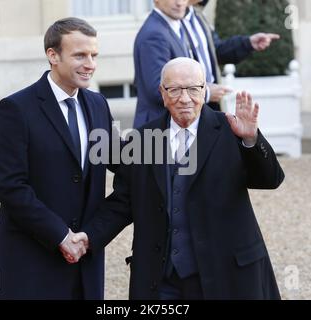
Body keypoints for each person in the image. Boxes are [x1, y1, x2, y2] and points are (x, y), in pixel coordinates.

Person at [73, 58, 285, 299]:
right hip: (161, 279)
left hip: (225, 273)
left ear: (204, 90)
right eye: (174, 90)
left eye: (193, 89)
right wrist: (88, 237)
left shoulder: (229, 129)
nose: (185, 98)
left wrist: (251, 139)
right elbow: (123, 203)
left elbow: (271, 180)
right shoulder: (143, 140)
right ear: (162, 94)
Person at [0, 17, 114, 300]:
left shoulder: (98, 104)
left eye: (94, 55)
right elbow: (11, 186)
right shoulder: (15, 109)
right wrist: (60, 236)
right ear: (53, 55)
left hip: (85, 263)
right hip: (32, 260)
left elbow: (118, 157)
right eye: (80, 55)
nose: (90, 64)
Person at [132, 0, 231, 128]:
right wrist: (205, 93)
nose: (179, 3)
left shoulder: (175, 26)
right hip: (157, 130)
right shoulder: (154, 34)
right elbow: (157, 89)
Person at [182, 0, 280, 110]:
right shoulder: (171, 20)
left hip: (210, 104)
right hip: (186, 105)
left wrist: (248, 43)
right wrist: (205, 92)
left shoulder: (198, 17)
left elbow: (217, 51)